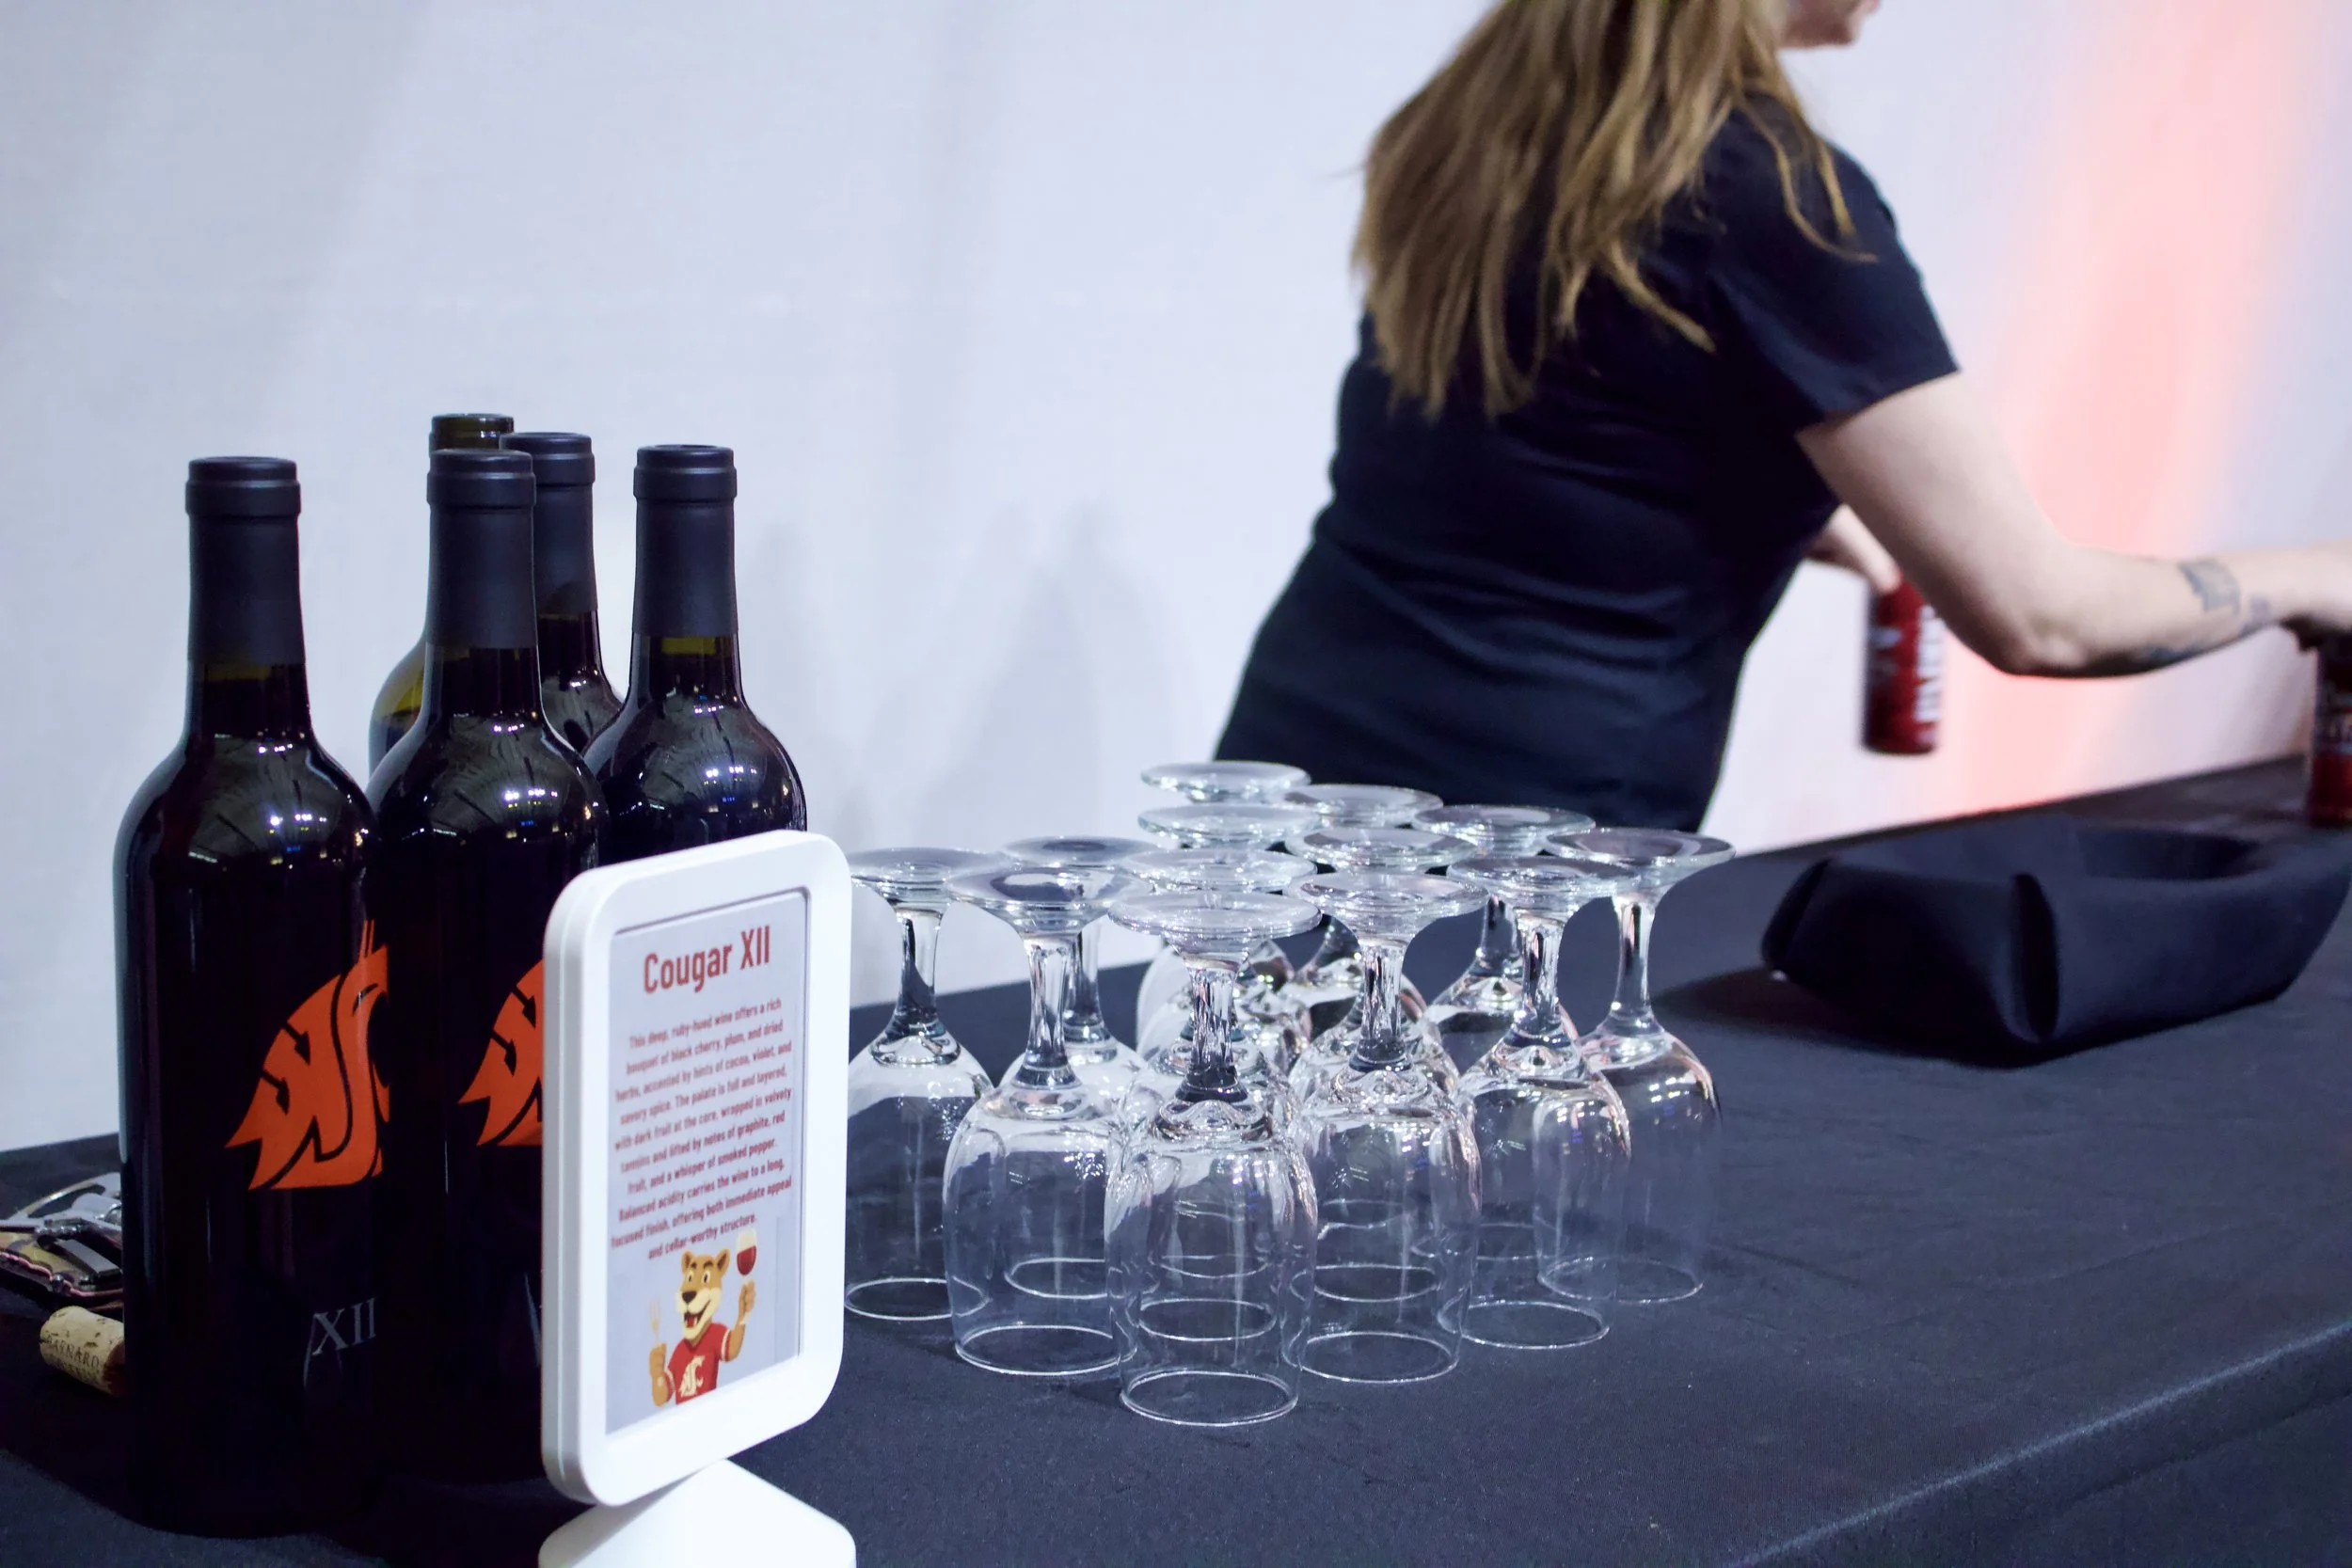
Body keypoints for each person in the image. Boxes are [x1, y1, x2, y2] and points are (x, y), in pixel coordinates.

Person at [1216, 0, 2352, 831]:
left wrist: (1834, 524)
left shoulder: (1467, 132)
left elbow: (1546, 447)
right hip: (1510, 857)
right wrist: (2311, 575)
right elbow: (2040, 617)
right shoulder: (1768, 196)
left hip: (1287, 778)